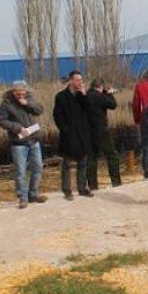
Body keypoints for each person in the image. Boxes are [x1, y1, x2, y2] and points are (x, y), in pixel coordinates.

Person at [0, 80, 46, 209]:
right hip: (18, 142)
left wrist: (28, 104)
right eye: (18, 94)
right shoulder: (6, 103)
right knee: (21, 172)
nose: (20, 96)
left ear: (26, 91)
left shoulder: (29, 98)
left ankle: (33, 194)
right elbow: (2, 121)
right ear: (13, 92)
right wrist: (16, 128)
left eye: (22, 93)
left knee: (38, 169)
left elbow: (39, 110)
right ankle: (22, 198)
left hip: (33, 139)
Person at [53, 70, 94, 200]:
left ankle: (82, 188)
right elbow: (57, 115)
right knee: (67, 164)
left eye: (81, 80)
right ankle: (67, 189)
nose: (80, 83)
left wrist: (84, 95)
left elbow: (90, 110)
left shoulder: (82, 96)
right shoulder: (61, 96)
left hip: (82, 134)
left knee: (83, 162)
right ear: (71, 81)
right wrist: (65, 129)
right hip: (69, 135)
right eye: (77, 80)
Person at [86, 77, 122, 189]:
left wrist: (104, 93)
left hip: (88, 130)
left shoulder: (85, 96)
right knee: (112, 155)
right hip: (101, 130)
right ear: (100, 86)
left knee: (92, 157)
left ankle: (92, 185)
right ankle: (116, 182)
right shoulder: (98, 96)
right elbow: (113, 104)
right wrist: (109, 94)